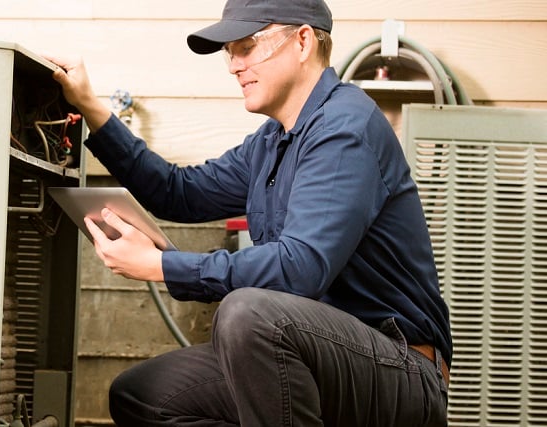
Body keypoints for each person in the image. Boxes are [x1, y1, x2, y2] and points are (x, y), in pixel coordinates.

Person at [46, 0, 452, 424]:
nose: (233, 65)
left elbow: (301, 268)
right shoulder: (271, 141)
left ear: (302, 42)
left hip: (399, 371)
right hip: (316, 357)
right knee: (144, 395)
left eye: (248, 46)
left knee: (249, 315)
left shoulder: (345, 128)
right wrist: (90, 107)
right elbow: (177, 193)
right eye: (230, 51)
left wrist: (163, 266)